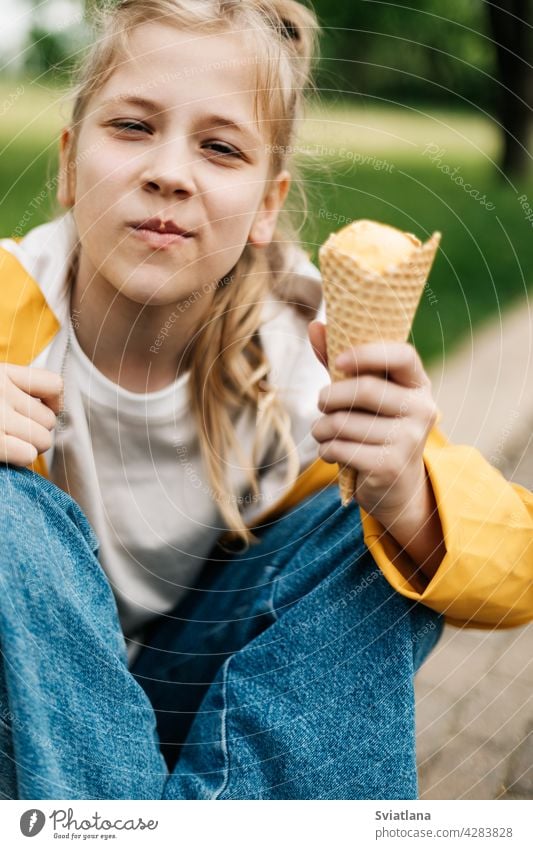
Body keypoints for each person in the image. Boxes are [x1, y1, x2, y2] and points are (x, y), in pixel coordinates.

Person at [0, 0, 532, 801]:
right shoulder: (11, 305)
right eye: (133, 127)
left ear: (267, 205)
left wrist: (412, 495)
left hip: (204, 697)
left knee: (372, 528)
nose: (169, 172)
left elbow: (516, 569)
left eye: (218, 147)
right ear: (71, 166)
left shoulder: (297, 350)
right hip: (33, 709)